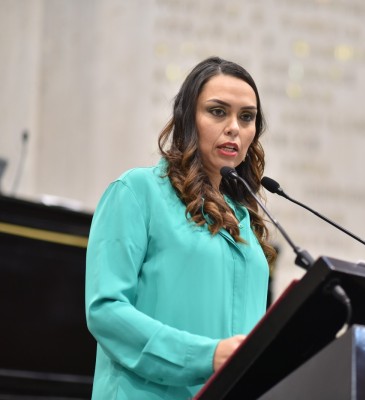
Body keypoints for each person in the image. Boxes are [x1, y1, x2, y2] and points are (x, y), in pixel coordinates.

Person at [85, 56, 277, 399]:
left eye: (246, 117)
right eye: (218, 111)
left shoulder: (245, 219)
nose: (234, 127)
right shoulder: (137, 192)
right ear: (188, 118)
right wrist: (206, 356)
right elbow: (106, 311)